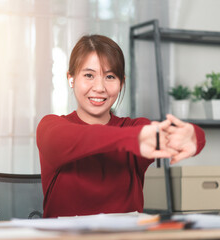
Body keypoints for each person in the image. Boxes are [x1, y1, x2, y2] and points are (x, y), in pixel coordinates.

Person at [36, 35, 206, 218]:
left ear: (121, 83)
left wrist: (194, 137)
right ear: (71, 79)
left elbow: (183, 136)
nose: (99, 87)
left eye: (110, 76)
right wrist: (135, 138)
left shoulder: (135, 128)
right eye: (88, 75)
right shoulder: (51, 126)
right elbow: (68, 139)